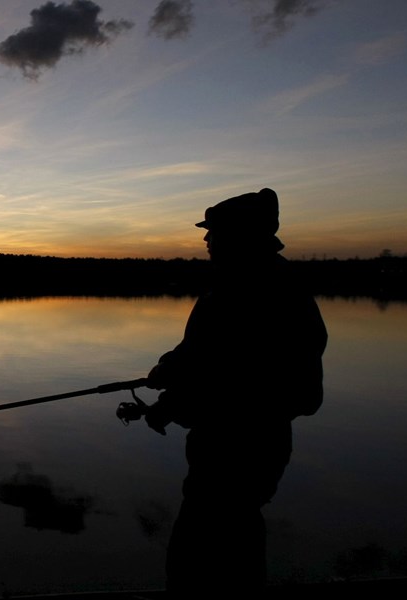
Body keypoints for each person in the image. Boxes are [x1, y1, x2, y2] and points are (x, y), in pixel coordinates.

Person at [142, 188, 327, 592]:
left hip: (241, 446)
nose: (206, 240)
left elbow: (235, 377)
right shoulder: (243, 284)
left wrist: (172, 400)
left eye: (214, 232)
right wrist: (169, 372)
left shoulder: (254, 289)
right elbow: (205, 355)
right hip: (238, 442)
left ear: (240, 235)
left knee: (206, 552)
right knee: (227, 542)